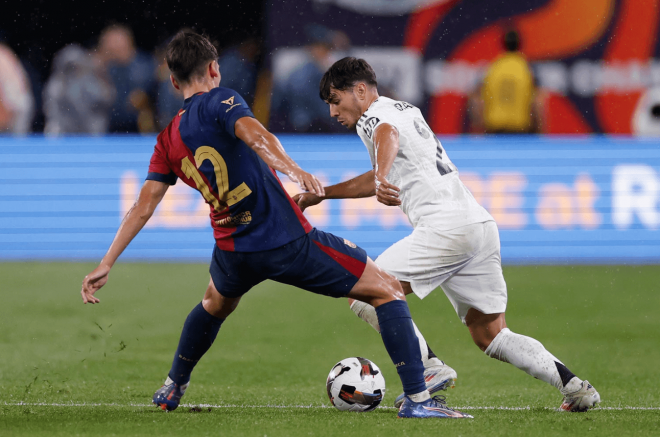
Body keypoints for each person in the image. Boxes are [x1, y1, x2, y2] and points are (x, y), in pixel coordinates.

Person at [79, 31, 471, 419]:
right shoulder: (222, 100)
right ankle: (420, 399)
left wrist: (107, 261)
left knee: (214, 303)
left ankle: (173, 385)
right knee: (386, 289)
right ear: (214, 69)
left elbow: (143, 205)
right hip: (285, 239)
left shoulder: (167, 139)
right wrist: (295, 171)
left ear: (173, 80)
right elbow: (258, 135)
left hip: (233, 249)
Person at [294, 57, 601, 412]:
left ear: (359, 91)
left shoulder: (373, 117)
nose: (333, 112)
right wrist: (327, 192)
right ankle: (576, 388)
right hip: (477, 226)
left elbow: (385, 136)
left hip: (446, 228)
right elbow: (383, 164)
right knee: (491, 334)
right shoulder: (405, 109)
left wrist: (380, 176)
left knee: (365, 291)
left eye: (335, 100)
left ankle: (428, 369)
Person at [469, 30, 541, 134]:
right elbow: (537, 104)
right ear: (520, 44)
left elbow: (476, 100)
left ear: (502, 44)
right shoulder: (527, 69)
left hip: (494, 130)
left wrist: (478, 128)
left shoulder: (492, 68)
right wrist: (540, 131)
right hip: (520, 131)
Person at [43, 45, 115, 135]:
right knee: (53, 128)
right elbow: (51, 110)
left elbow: (107, 99)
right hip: (65, 129)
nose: (73, 70)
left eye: (76, 66)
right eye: (70, 67)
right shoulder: (56, 84)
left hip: (89, 129)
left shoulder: (91, 82)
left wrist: (101, 74)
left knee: (97, 122)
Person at [97, 24, 156, 133]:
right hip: (102, 132)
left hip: (138, 133)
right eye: (110, 51)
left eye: (119, 49)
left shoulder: (146, 69)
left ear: (131, 47)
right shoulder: (94, 71)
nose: (115, 55)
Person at [0, 40, 34, 134]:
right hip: (19, 102)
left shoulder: (3, 55)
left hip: (14, 105)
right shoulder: (5, 53)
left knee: (15, 141)